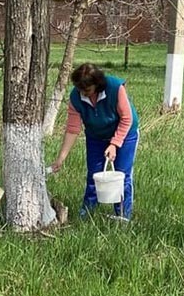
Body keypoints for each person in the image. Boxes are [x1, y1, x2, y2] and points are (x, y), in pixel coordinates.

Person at [50, 63, 139, 220]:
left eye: (88, 90)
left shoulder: (115, 88)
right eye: (81, 90)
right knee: (94, 175)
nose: (84, 93)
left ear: (97, 84)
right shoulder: (76, 98)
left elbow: (127, 119)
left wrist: (114, 144)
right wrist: (61, 157)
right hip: (96, 137)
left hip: (125, 135)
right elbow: (72, 129)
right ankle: (87, 214)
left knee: (122, 175)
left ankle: (123, 215)